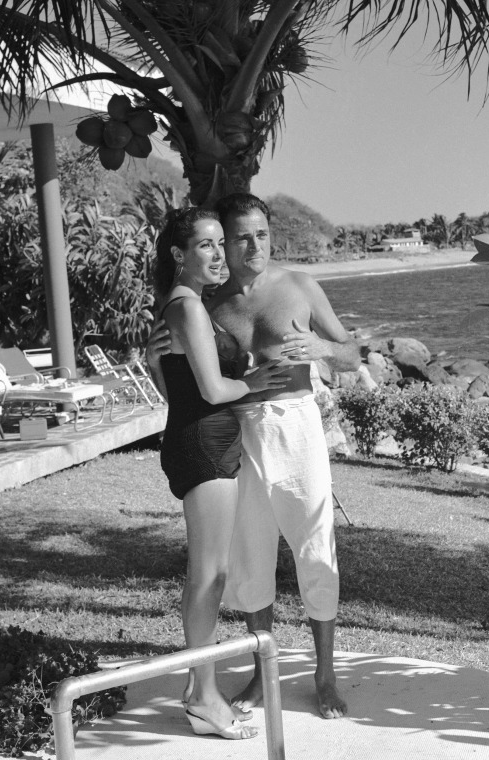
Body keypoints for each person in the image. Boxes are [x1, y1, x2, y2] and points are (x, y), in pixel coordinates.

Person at [147, 194, 361, 720]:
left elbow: (353, 352)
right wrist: (155, 363)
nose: (252, 245)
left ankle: (324, 675)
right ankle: (263, 675)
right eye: (239, 236)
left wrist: (323, 351)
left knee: (314, 548)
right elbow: (189, 388)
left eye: (261, 234)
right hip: (237, 430)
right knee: (249, 557)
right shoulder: (208, 302)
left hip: (295, 427)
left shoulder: (299, 287)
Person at [151, 207, 290, 741]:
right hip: (204, 446)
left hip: (204, 441)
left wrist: (151, 360)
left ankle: (200, 689)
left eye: (218, 244)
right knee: (207, 575)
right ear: (179, 255)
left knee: (210, 573)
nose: (217, 254)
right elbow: (211, 391)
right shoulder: (187, 304)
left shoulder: (185, 305)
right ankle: (203, 695)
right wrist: (256, 383)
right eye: (205, 246)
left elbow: (177, 385)